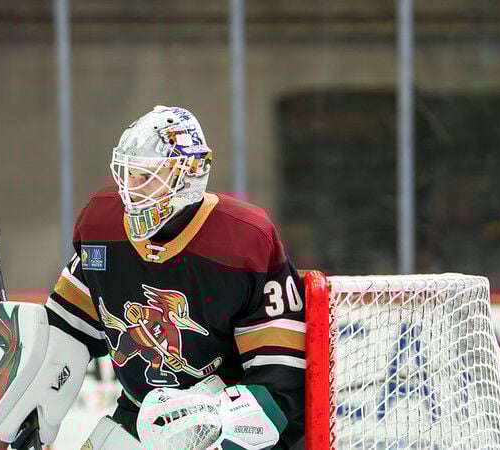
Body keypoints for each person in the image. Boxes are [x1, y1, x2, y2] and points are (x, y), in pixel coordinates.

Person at [45, 105, 305, 448]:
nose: (132, 189)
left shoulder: (246, 241)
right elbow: (63, 332)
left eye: (146, 176)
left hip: (232, 431)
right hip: (142, 416)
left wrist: (207, 417)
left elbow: (281, 380)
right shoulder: (102, 227)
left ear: (189, 175)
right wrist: (28, 411)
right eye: (129, 174)